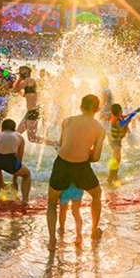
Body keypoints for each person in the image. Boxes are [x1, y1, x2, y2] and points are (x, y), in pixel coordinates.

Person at [46, 94, 106, 250]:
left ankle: (52, 240)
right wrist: (88, 152)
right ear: (98, 109)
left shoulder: (68, 121)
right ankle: (93, 231)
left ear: (80, 106)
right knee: (96, 195)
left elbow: (60, 144)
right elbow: (96, 158)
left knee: (52, 202)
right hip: (81, 167)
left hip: (62, 164)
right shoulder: (99, 129)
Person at [0, 118, 32, 203]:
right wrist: (14, 180)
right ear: (14, 129)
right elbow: (19, 159)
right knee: (27, 174)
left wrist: (0, 182)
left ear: (2, 128)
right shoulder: (18, 136)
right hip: (10, 160)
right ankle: (25, 200)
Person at [14, 65, 43, 142]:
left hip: (34, 112)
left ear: (24, 73)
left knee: (32, 138)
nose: (19, 74)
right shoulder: (29, 82)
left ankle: (55, 144)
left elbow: (15, 89)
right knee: (17, 133)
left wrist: (19, 79)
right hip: (31, 111)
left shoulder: (29, 80)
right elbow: (25, 94)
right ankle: (12, 151)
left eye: (20, 72)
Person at [107, 103, 133, 186]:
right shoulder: (116, 121)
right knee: (116, 159)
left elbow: (124, 117)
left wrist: (133, 114)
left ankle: (114, 177)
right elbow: (122, 131)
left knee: (117, 159)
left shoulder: (119, 117)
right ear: (119, 112)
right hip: (115, 142)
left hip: (115, 141)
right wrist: (127, 123)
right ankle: (110, 178)